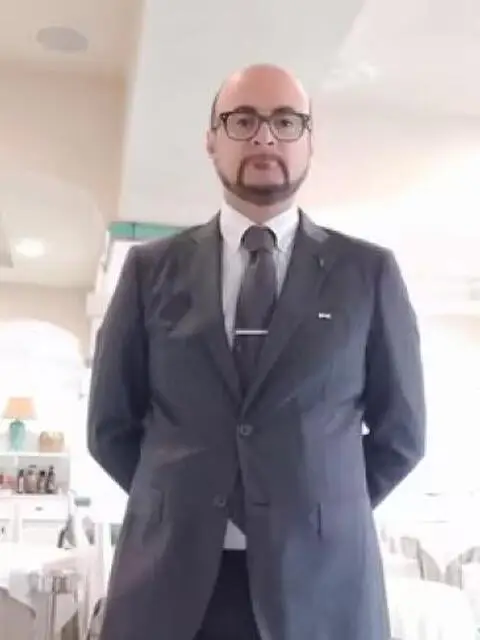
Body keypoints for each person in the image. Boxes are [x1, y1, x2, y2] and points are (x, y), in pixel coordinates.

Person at [87, 64, 426, 640]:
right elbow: (110, 426)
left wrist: (316, 507)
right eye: (242, 120)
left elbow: (402, 434)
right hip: (168, 584)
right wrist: (179, 501)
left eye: (286, 122)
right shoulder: (149, 271)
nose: (265, 137)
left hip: (321, 589)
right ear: (211, 140)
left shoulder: (368, 274)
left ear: (309, 141)